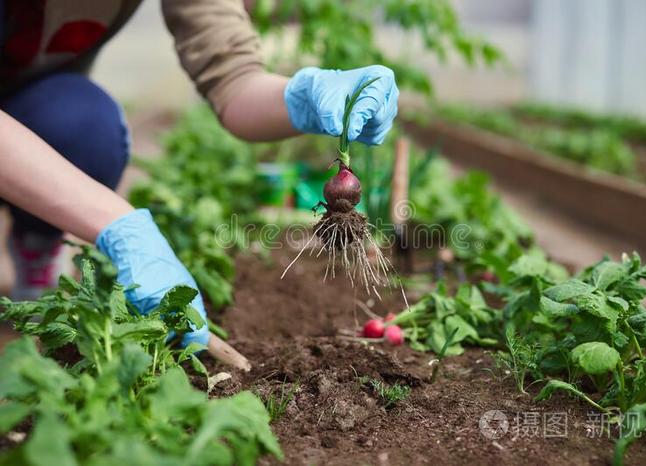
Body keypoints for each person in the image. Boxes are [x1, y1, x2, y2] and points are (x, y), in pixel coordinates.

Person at [0, 0, 399, 346]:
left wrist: (303, 98)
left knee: (85, 125)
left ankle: (37, 240)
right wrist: (117, 222)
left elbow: (232, 77)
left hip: (27, 103)